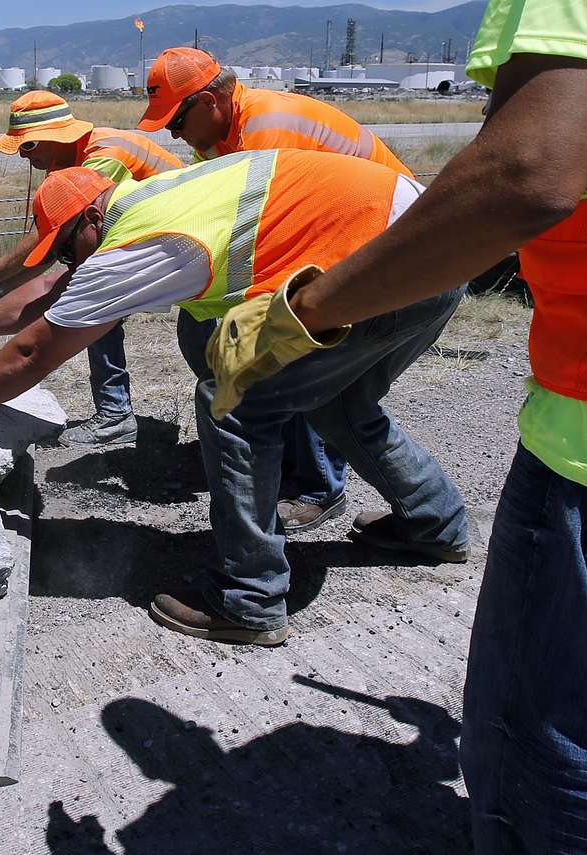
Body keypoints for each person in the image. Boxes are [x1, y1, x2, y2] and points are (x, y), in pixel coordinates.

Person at [204, 1, 587, 855]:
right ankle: (423, 523)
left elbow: (524, 173)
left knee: (555, 739)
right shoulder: (240, 139)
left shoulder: (175, 184)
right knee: (350, 412)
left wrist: (300, 313)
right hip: (420, 263)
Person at [0, 156, 468, 645]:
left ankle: (249, 600)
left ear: (93, 216)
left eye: (68, 245)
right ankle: (433, 525)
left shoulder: (142, 243)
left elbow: (32, 353)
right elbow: (53, 291)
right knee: (341, 403)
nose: (70, 260)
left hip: (385, 259)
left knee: (235, 399)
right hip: (438, 248)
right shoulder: (146, 200)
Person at [137, 47, 412, 534]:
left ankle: (316, 485)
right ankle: (281, 450)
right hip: (342, 238)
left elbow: (269, 234)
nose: (174, 135)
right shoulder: (221, 137)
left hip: (384, 241)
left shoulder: (268, 128)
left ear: (208, 102)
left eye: (176, 121)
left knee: (288, 357)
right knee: (213, 333)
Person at [0, 90, 182, 448]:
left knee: (92, 310)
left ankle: (116, 416)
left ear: (48, 138)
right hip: (161, 241)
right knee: (94, 307)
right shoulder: (73, 160)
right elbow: (48, 249)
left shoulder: (102, 160)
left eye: (26, 147)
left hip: (177, 242)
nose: (24, 157)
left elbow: (50, 254)